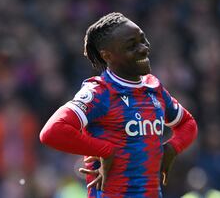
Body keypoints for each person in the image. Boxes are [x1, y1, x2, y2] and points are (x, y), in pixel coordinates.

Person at [39, 12, 198, 198]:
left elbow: (188, 124)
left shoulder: (153, 88)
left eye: (142, 39)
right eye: (131, 46)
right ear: (108, 55)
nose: (143, 48)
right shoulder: (100, 92)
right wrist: (104, 151)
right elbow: (52, 131)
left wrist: (171, 148)